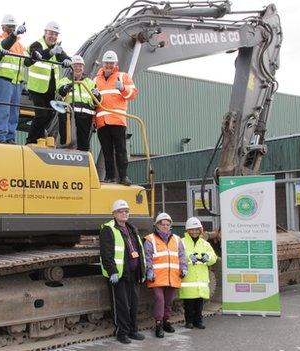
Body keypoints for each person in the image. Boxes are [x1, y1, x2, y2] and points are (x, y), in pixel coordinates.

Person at [99, 199, 146, 344]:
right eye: (121, 211)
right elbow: (106, 253)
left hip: (133, 274)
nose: (124, 213)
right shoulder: (108, 229)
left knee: (133, 304)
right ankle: (122, 333)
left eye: (126, 211)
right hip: (118, 275)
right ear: (114, 213)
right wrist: (112, 271)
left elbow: (138, 250)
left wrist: (142, 270)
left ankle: (133, 330)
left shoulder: (132, 228)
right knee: (121, 306)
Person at [93, 50, 138, 186]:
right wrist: (93, 121)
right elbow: (93, 103)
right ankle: (110, 176)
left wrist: (123, 88)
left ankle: (123, 176)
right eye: (107, 63)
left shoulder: (122, 76)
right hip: (102, 121)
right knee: (106, 151)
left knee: (120, 150)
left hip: (117, 120)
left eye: (111, 63)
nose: (109, 66)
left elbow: (133, 94)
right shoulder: (95, 80)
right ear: (103, 63)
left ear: (115, 64)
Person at [24, 21, 72, 144]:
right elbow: (40, 55)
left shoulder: (57, 47)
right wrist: (51, 52)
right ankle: (31, 140)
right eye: (51, 33)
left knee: (49, 116)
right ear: (45, 33)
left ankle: (39, 138)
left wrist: (67, 61)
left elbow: (65, 58)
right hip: (37, 88)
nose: (53, 37)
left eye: (56, 35)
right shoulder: (36, 44)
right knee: (41, 115)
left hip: (50, 90)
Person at [143, 212, 187, 338]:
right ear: (157, 225)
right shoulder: (150, 239)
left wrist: (184, 268)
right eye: (163, 224)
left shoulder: (177, 240)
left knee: (168, 301)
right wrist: (149, 271)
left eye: (168, 224)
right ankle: (158, 324)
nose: (165, 226)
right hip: (157, 277)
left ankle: (166, 321)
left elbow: (182, 256)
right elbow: (148, 257)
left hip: (173, 276)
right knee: (160, 300)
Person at [0, 15, 27, 144]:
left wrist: (34, 56)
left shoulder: (20, 44)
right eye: (9, 26)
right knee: (3, 109)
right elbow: (3, 46)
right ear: (3, 27)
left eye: (14, 27)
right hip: (3, 78)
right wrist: (15, 34)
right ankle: (0, 136)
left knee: (13, 112)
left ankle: (10, 137)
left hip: (17, 81)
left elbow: (26, 61)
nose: (12, 29)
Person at [55, 55, 100, 151]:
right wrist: (66, 87)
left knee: (83, 143)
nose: (78, 68)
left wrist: (97, 95)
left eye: (80, 66)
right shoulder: (65, 80)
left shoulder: (89, 82)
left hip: (86, 115)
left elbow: (96, 101)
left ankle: (83, 160)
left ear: (83, 68)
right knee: (68, 140)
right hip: (70, 115)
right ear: (71, 68)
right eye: (75, 66)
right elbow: (61, 92)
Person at [180, 217, 217, 329]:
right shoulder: (182, 242)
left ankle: (198, 321)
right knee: (189, 303)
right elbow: (180, 255)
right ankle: (189, 321)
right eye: (192, 229)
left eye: (197, 229)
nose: (195, 232)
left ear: (200, 230)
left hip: (201, 279)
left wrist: (208, 258)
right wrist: (190, 257)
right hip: (188, 279)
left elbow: (213, 257)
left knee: (199, 303)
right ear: (187, 230)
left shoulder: (204, 244)